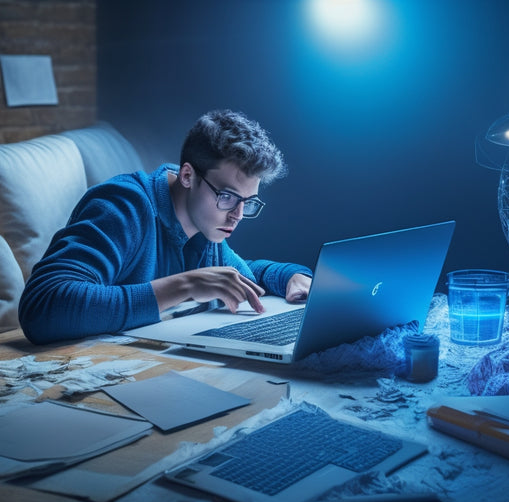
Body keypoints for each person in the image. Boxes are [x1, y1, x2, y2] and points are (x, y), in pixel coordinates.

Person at [19, 109, 313, 344]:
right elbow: (43, 307)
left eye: (248, 202)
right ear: (187, 176)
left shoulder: (206, 225)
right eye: (227, 196)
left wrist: (290, 277)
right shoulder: (123, 206)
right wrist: (186, 285)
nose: (237, 214)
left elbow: (235, 274)